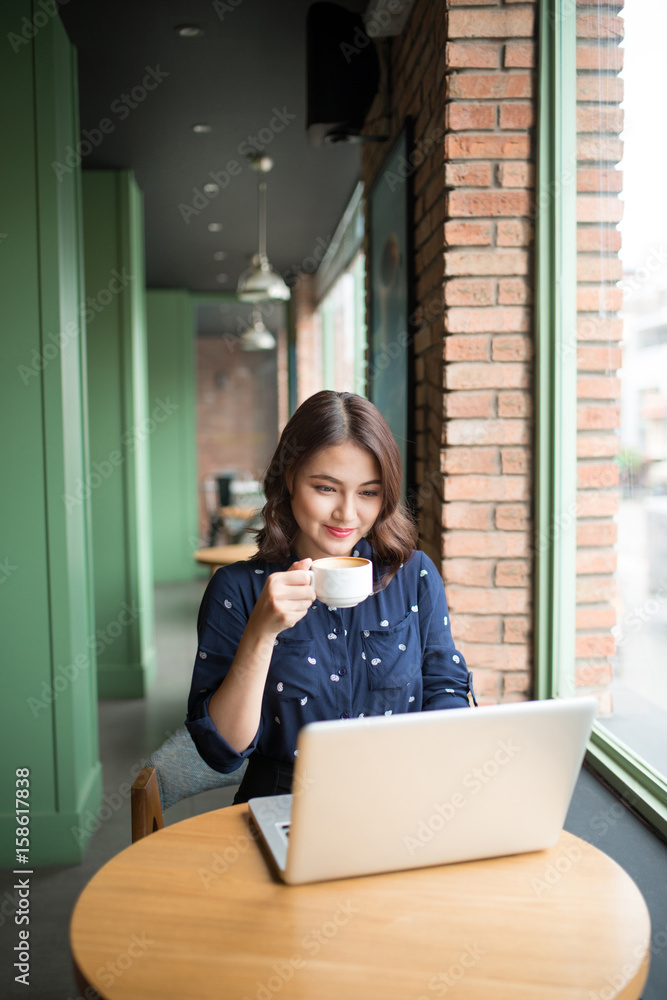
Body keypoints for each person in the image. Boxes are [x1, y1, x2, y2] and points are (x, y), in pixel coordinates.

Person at [185, 390, 475, 803]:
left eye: (368, 493)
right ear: (290, 479)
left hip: (401, 795)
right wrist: (261, 633)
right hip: (282, 802)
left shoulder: (415, 575)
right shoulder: (237, 589)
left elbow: (445, 689)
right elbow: (222, 752)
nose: (347, 513)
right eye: (326, 488)